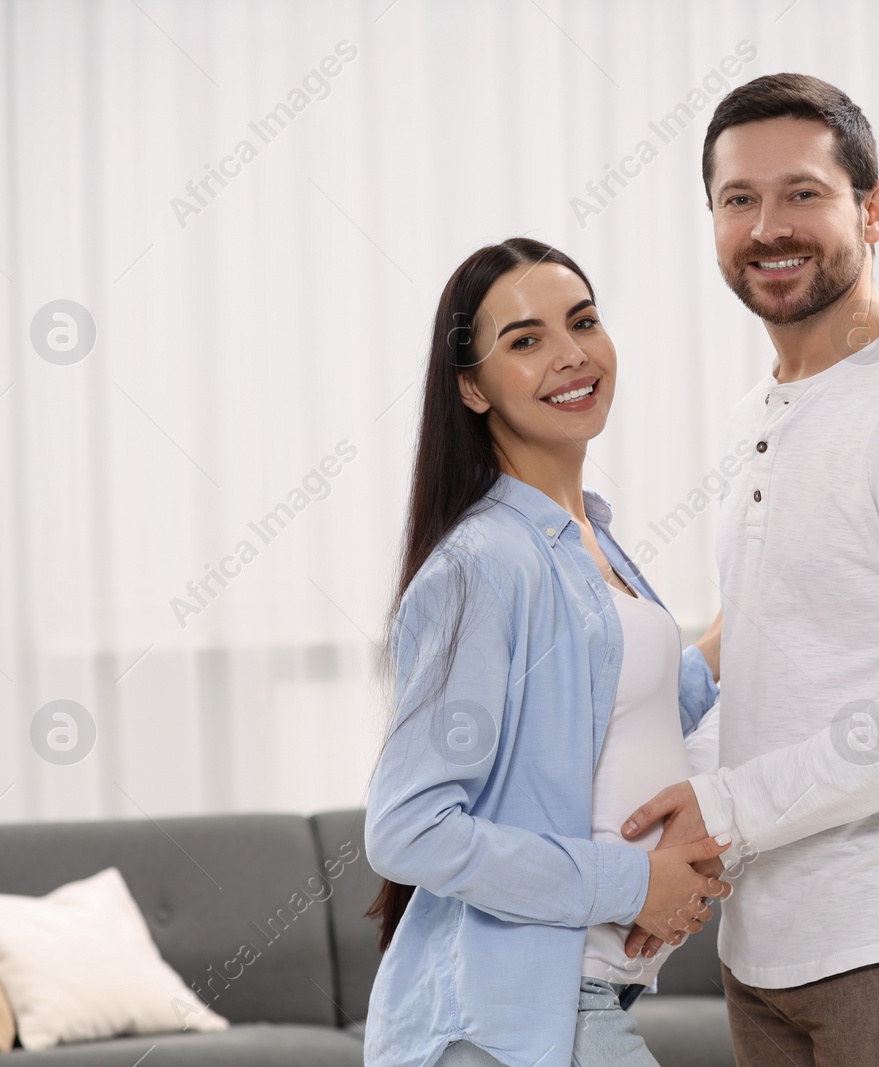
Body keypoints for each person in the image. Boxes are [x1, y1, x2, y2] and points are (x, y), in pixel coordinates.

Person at [620, 73, 879, 1066]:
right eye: (738, 199)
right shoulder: (766, 406)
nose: (769, 225)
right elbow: (769, 623)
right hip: (764, 936)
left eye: (802, 193)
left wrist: (723, 808)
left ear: (872, 209)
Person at [363, 237, 731, 1067]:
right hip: (509, 1016)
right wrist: (636, 883)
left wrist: (746, 619)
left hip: (583, 993)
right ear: (472, 387)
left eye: (584, 321)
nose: (571, 355)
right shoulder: (484, 563)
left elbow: (615, 718)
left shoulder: (588, 537)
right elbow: (408, 826)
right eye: (525, 341)